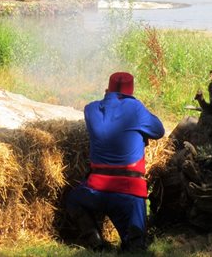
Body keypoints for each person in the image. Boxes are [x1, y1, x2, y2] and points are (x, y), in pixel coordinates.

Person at [67, 72, 164, 251]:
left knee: (73, 200)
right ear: (130, 91)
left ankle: (95, 241)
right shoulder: (135, 108)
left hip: (95, 190)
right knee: (136, 248)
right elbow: (159, 131)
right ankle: (131, 242)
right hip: (129, 193)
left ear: (108, 88)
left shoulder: (91, 109)